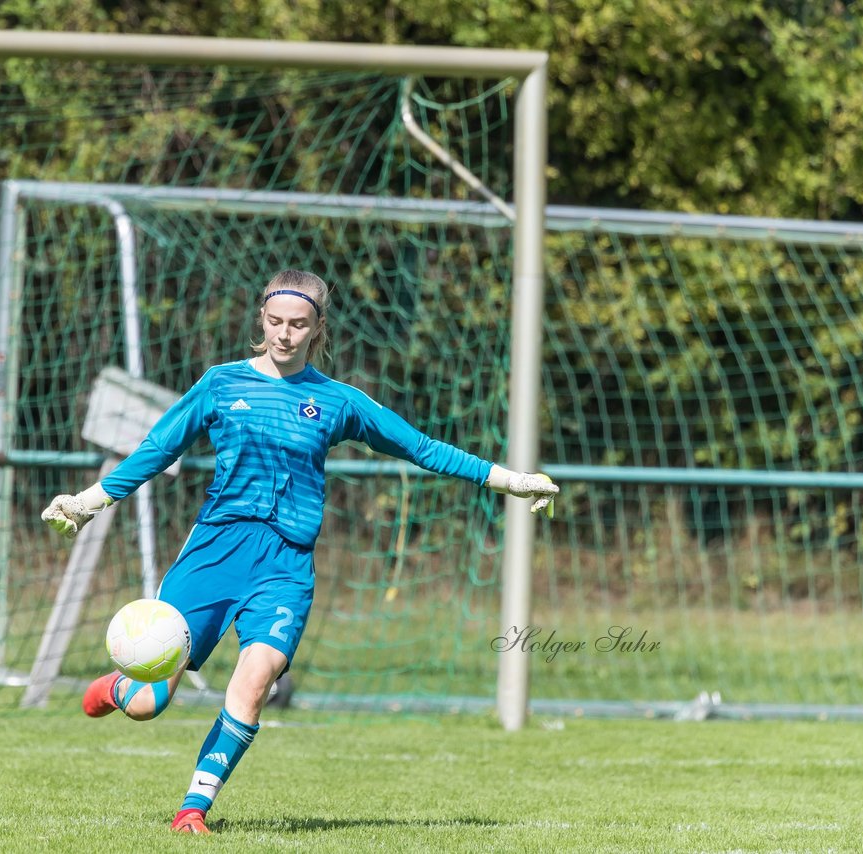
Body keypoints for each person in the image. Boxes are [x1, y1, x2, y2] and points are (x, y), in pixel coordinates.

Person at [42, 269, 558, 835]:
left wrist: (510, 481)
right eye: (275, 321)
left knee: (257, 677)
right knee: (149, 704)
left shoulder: (338, 402)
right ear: (261, 318)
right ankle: (120, 687)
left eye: (299, 325)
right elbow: (157, 448)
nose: (285, 334)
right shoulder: (220, 384)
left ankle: (193, 810)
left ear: (318, 329)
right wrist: (87, 502)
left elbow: (420, 447)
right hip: (216, 551)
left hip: (286, 563)